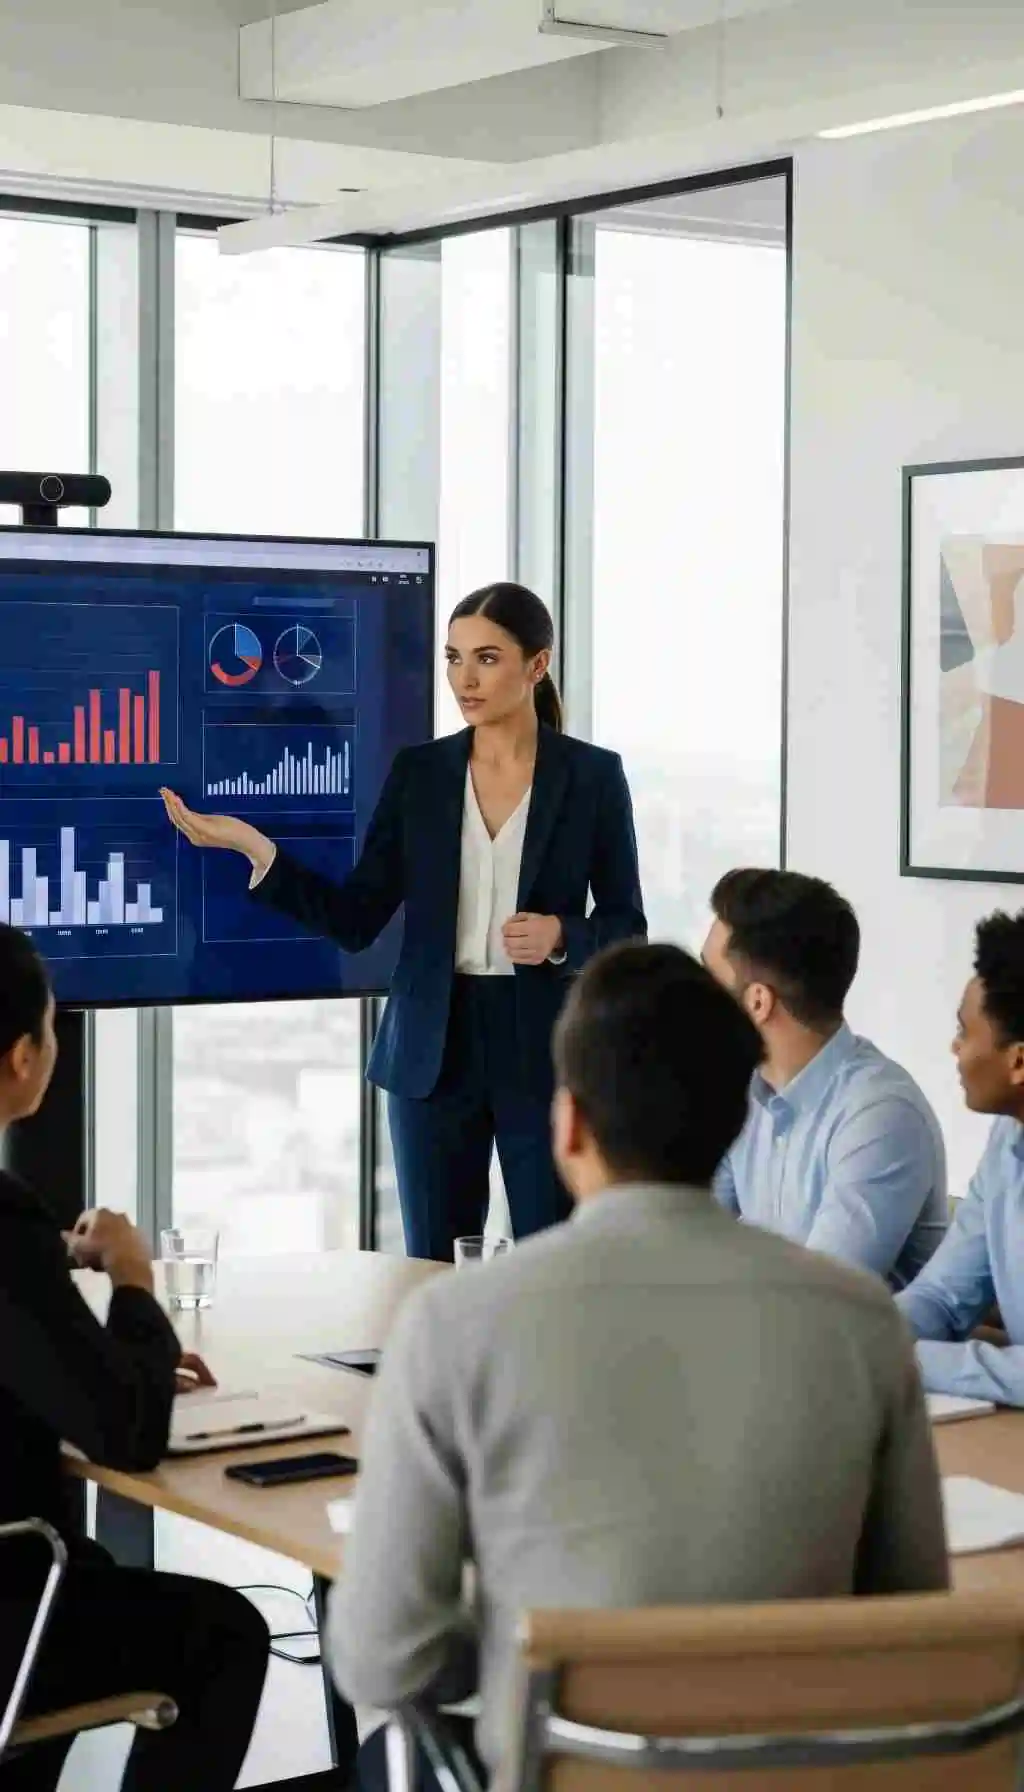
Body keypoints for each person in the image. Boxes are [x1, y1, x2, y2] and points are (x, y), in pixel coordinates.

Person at [327, 941, 948, 1787]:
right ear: (736, 1119)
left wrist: (524, 1647)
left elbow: (379, 1659)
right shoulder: (863, 1323)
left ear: (570, 1124)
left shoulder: (454, 1321)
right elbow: (909, 1621)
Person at [162, 582, 646, 1262]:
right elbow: (357, 918)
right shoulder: (421, 773)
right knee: (430, 1263)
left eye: (486, 658)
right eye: (453, 658)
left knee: (553, 1259)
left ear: (537, 666)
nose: (463, 679)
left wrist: (564, 935)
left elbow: (628, 927)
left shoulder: (593, 777)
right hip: (430, 1049)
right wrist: (255, 847)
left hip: (543, 1045)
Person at [0, 925, 268, 1791]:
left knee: (102, 1576)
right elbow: (128, 1432)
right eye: (50, 1030)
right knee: (225, 1634)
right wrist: (133, 1280)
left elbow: (52, 1373)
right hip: (8, 1604)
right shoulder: (4, 1227)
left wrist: (127, 1351)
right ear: (20, 1058)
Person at [703, 868, 947, 1289]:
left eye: (707, 977)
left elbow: (817, 1303)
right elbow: (686, 1236)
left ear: (758, 1001)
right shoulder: (743, 1092)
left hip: (852, 1350)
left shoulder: (881, 1117)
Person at [898, 908, 1024, 1405]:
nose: (954, 1047)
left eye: (964, 1031)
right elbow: (945, 1296)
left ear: (1018, 1061)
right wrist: (870, 1335)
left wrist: (902, 1358)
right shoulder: (1007, 1139)